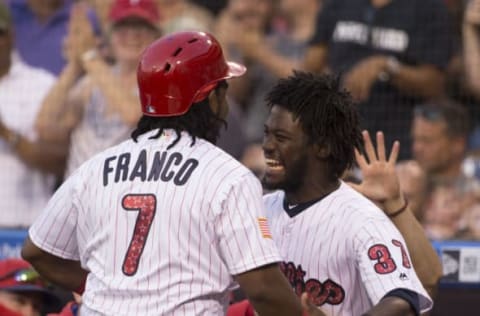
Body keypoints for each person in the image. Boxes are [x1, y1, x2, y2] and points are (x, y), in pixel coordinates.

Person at [21, 31, 324, 316]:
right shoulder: (228, 176)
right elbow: (263, 289)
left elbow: (37, 251)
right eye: (222, 89)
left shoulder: (95, 167)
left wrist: (102, 289)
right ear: (209, 98)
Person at [260, 71, 432, 315]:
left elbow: (402, 301)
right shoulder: (258, 209)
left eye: (281, 137)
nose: (267, 146)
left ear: (322, 147)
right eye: (267, 133)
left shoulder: (363, 220)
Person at [302, 0, 454, 160]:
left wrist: (387, 67)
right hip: (338, 138)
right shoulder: (338, 4)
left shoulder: (429, 8)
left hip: (397, 144)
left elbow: (434, 84)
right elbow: (310, 67)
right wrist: (336, 82)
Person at [35, 0, 160, 178]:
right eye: (123, 27)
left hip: (125, 194)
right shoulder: (91, 81)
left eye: (142, 27)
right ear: (110, 35)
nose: (132, 35)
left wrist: (89, 56)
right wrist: (74, 66)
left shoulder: (161, 80)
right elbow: (45, 127)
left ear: (157, 36)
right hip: (79, 195)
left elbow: (133, 115)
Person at [0, 0, 66, 228]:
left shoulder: (42, 85)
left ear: (12, 36)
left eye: (0, 33)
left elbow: (61, 161)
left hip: (25, 226)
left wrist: (6, 132)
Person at [404, 99, 480, 240]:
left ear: (458, 144)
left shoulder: (475, 194)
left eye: (427, 141)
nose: (417, 148)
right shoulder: (399, 183)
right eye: (415, 139)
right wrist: (414, 199)